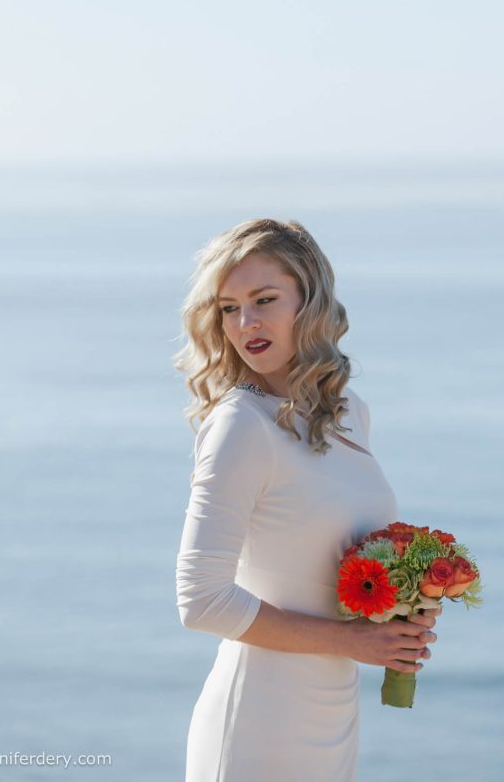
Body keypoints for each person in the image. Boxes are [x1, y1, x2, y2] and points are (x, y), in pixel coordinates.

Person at [174, 218, 441, 781]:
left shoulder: (349, 413)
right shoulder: (240, 425)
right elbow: (201, 601)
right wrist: (355, 640)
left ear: (310, 300)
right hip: (259, 721)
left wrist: (398, 605)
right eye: (229, 308)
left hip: (333, 712)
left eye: (264, 300)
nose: (246, 323)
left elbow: (322, 557)